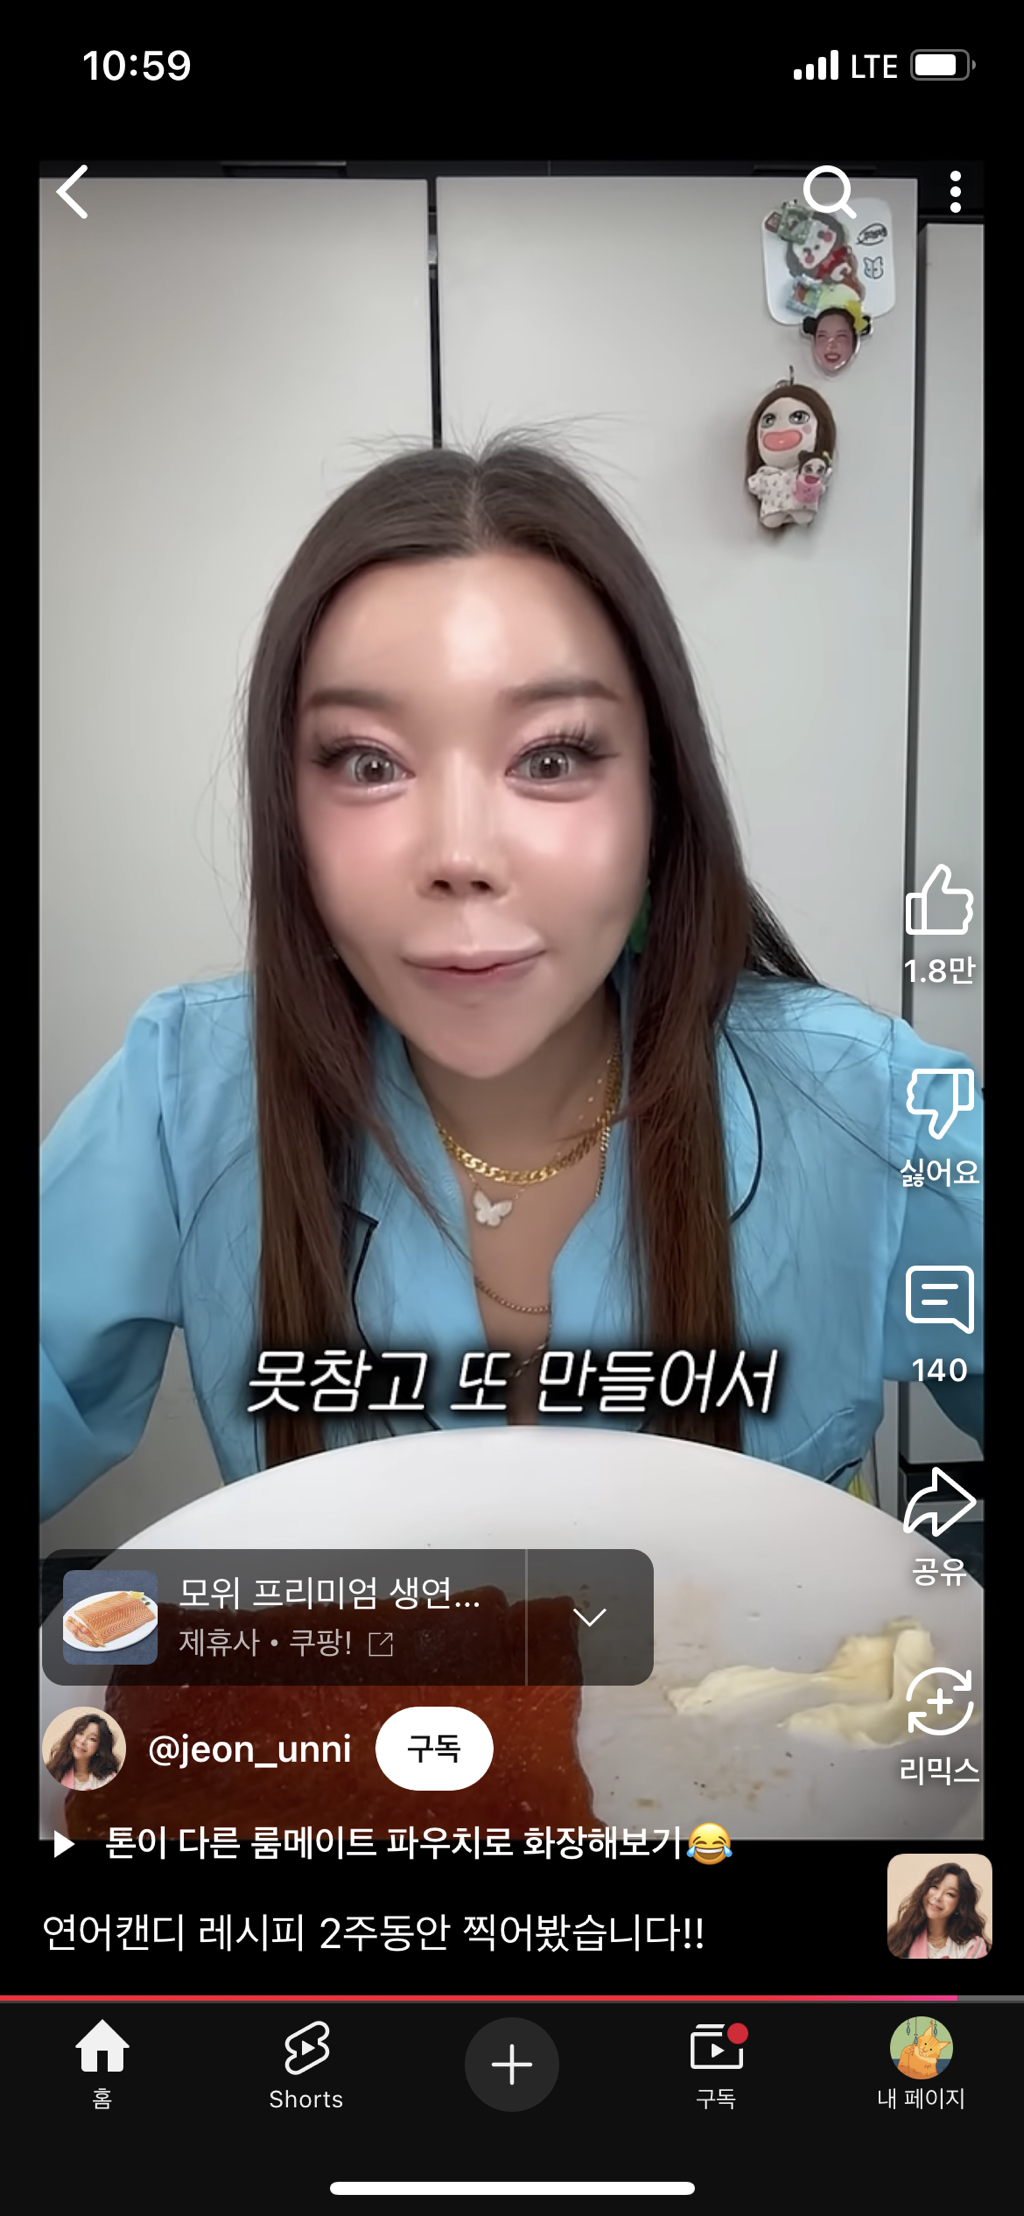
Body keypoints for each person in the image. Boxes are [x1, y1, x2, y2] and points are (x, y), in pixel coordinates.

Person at [39, 437, 984, 1516]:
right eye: (367, 763)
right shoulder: (185, 1094)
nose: (459, 854)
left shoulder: (872, 1105)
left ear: (659, 793)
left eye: (551, 757)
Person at [887, 1862, 990, 1959]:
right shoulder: (900, 1939)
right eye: (935, 1886)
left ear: (960, 1905)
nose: (938, 1897)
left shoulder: (970, 1947)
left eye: (950, 1894)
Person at [45, 1714, 121, 1791]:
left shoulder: (108, 1779)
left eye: (92, 1739)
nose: (82, 1741)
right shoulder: (52, 1773)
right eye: (80, 1733)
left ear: (100, 1747)